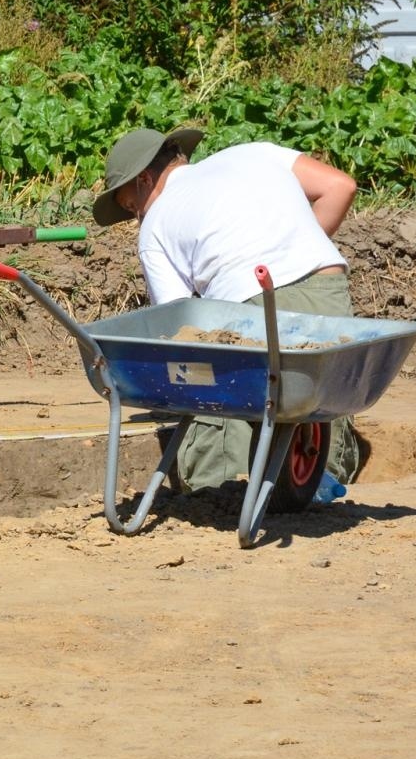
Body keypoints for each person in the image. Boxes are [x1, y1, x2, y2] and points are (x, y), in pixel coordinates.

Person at [92, 127, 361, 492]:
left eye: (131, 206)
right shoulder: (255, 153)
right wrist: (290, 254)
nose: (137, 217)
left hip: (249, 304)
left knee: (222, 386)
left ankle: (223, 485)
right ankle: (321, 481)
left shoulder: (155, 226)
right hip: (327, 286)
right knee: (318, 388)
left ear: (143, 180)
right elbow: (341, 186)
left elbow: (179, 324)